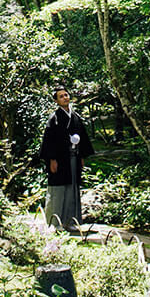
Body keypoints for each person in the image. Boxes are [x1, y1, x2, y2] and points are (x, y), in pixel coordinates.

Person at [39, 85, 94, 230]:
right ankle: (55, 223)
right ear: (56, 101)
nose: (65, 98)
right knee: (58, 189)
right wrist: (51, 159)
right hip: (59, 159)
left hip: (74, 157)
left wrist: (81, 156)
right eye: (61, 96)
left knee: (72, 188)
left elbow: (82, 137)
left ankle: (71, 221)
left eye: (66, 95)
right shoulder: (54, 118)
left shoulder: (75, 117)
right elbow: (49, 140)